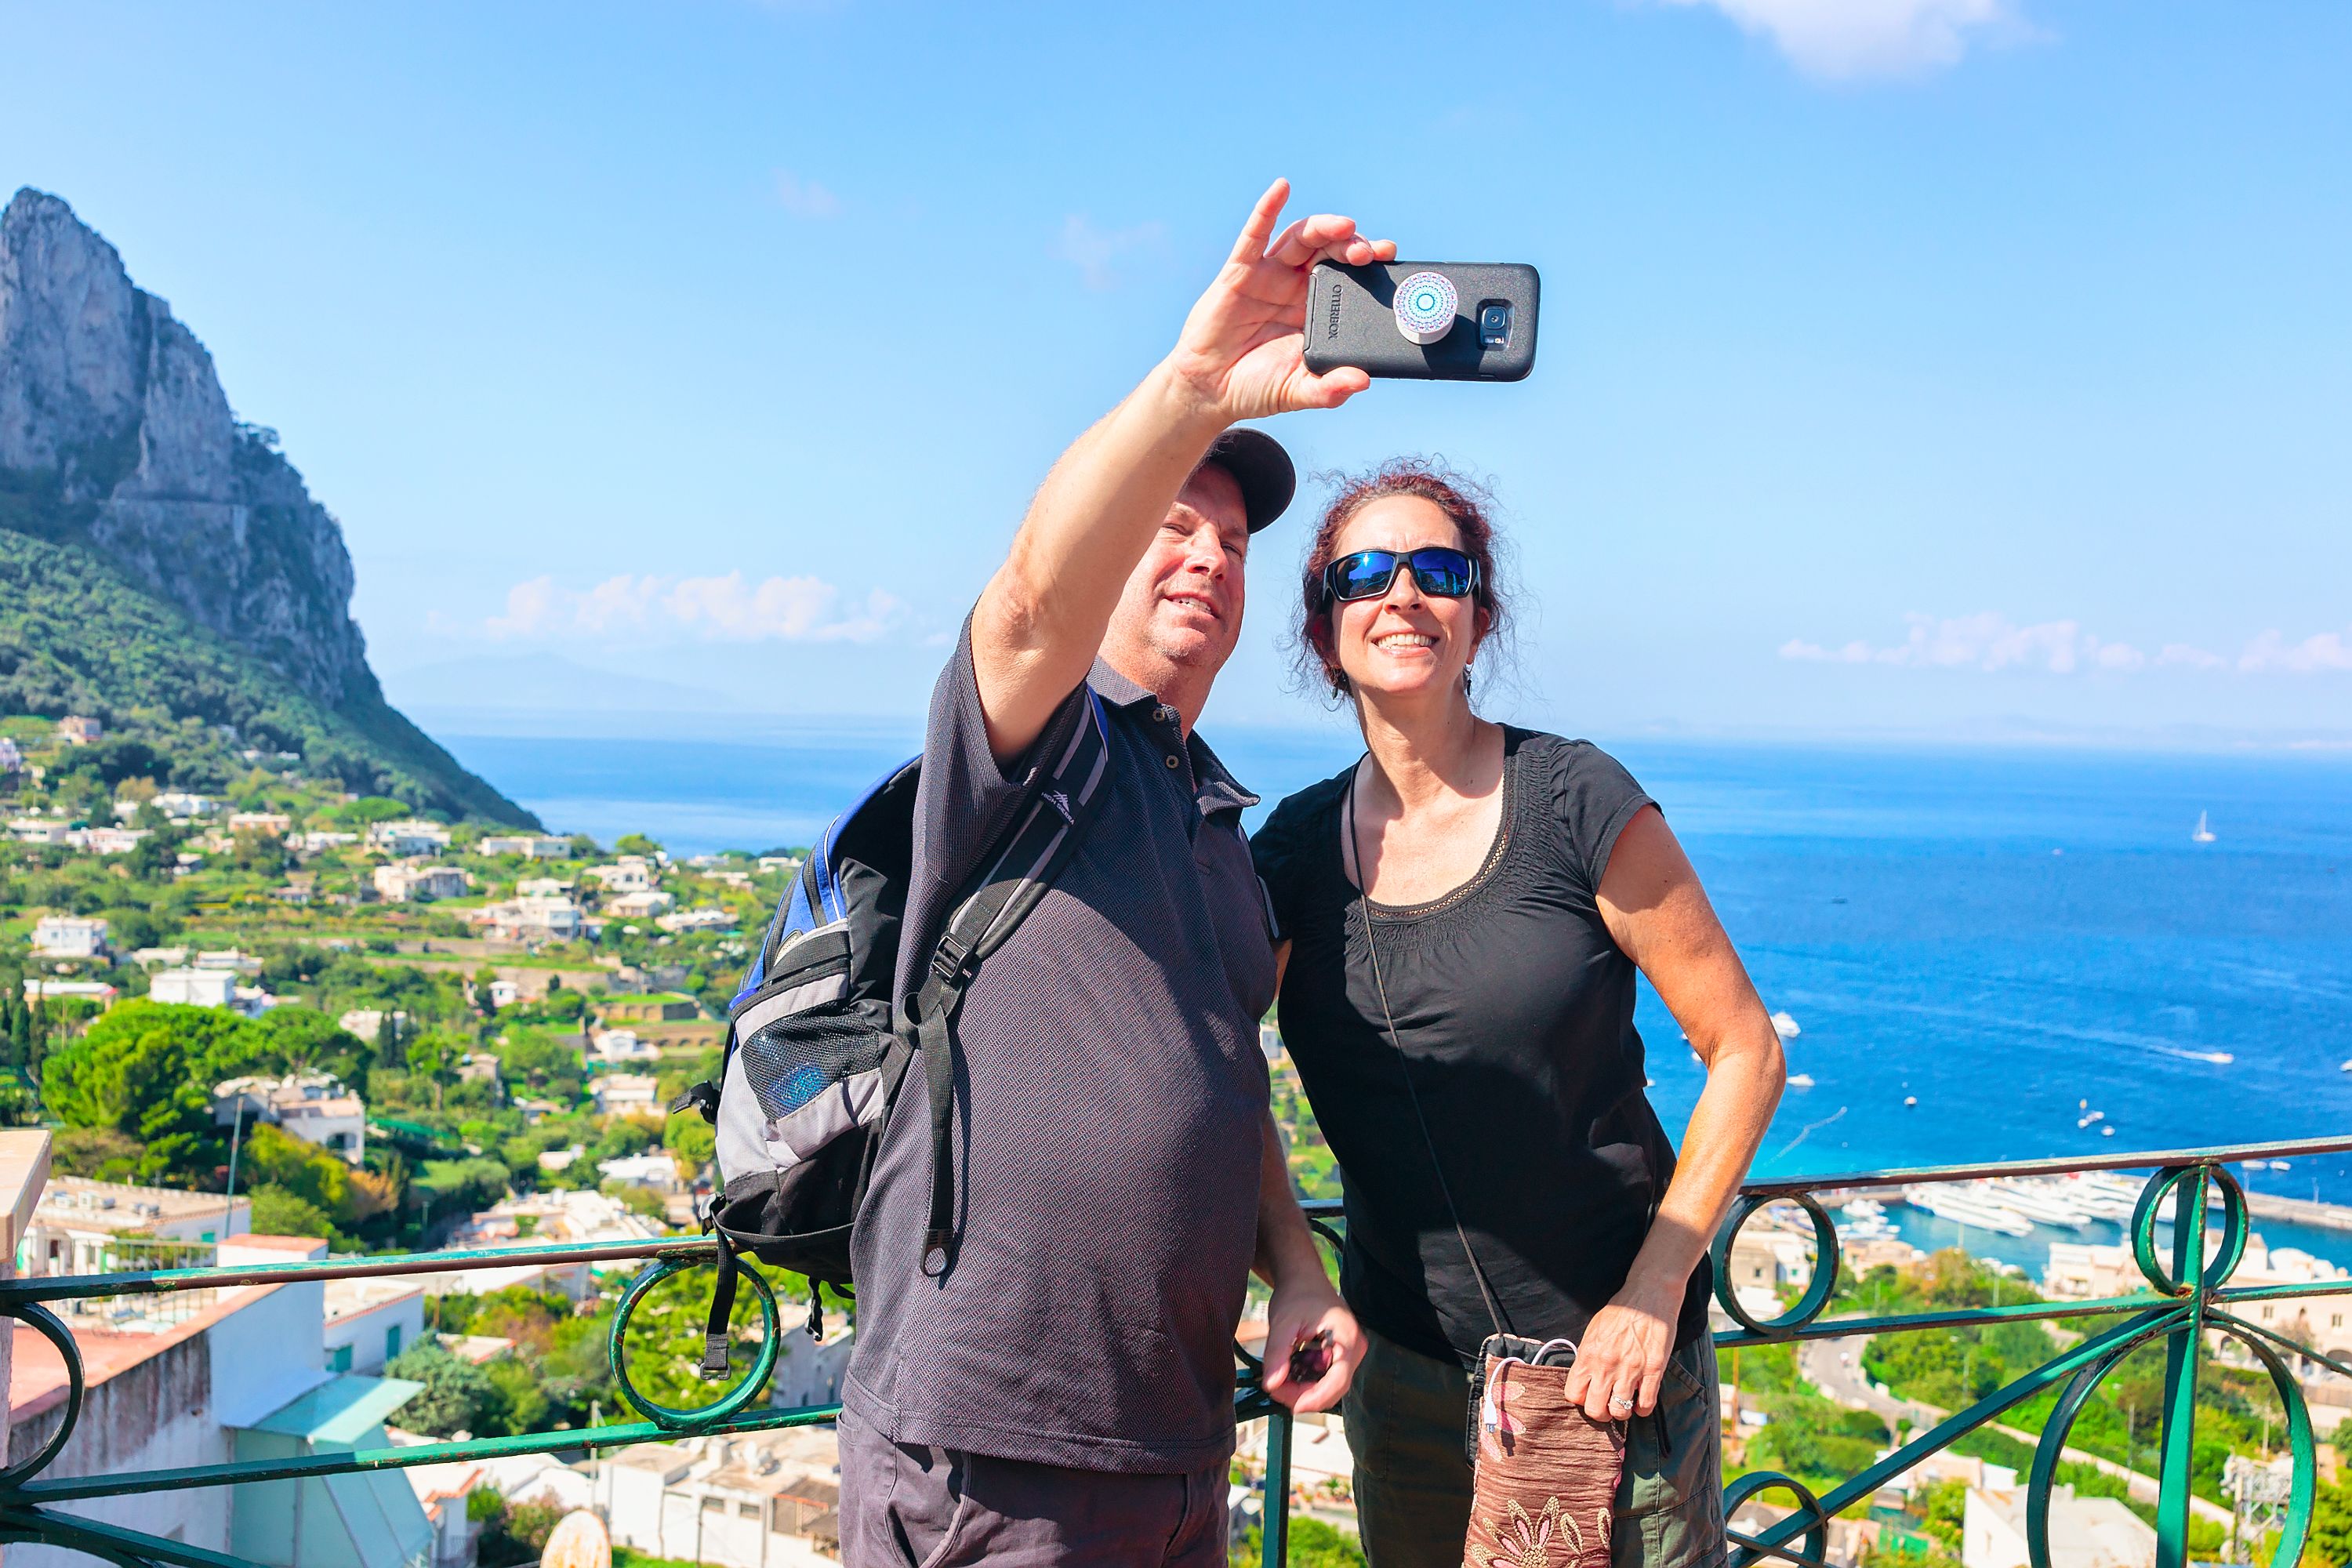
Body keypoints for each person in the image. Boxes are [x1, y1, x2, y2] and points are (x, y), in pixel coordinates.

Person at [837, 181, 1387, 1566]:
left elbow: (1219, 1086)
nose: (1205, 556)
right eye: (1171, 527)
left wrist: (1300, 1265)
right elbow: (1028, 602)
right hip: (994, 1451)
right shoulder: (1036, 743)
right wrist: (1195, 392)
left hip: (1179, 1447)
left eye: (1232, 542)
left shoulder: (1214, 822)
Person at [1250, 462, 1788, 1568]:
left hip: (1611, 1375)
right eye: (1366, 574)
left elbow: (1743, 1049)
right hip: (1403, 1378)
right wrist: (1298, 1270)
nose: (1404, 595)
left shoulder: (1574, 800)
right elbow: (1213, 1078)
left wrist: (1655, 1286)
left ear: (1478, 616)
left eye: (1439, 571)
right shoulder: (1292, 858)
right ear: (1325, 629)